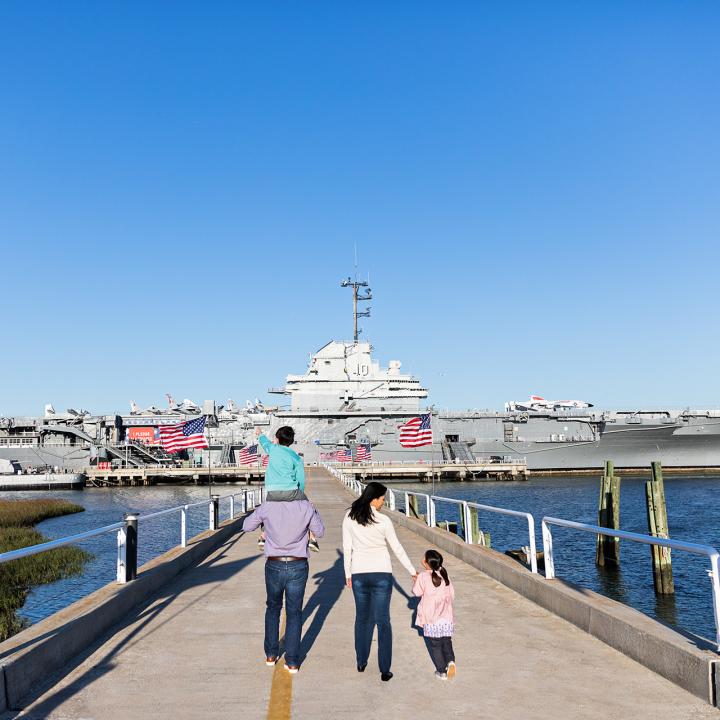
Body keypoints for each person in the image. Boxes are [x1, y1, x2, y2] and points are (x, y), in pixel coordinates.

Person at [242, 493, 325, 674]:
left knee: (273, 608)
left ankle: (271, 654)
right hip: (298, 564)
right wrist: (312, 509)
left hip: (274, 563)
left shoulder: (268, 506)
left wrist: (262, 514)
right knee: (294, 612)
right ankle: (293, 661)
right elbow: (320, 532)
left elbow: (246, 526)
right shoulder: (305, 507)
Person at [342, 481, 416, 681]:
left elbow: (347, 548)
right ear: (374, 499)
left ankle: (361, 661)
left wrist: (347, 574)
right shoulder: (383, 521)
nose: (383, 503)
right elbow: (397, 548)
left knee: (362, 619)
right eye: (382, 499)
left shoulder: (349, 517)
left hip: (359, 574)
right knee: (383, 621)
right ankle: (385, 668)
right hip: (382, 574)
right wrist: (412, 570)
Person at [256, 426, 320, 552]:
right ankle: (312, 537)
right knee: (309, 509)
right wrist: (300, 496)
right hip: (291, 491)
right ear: (291, 441)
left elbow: (265, 443)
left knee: (269, 512)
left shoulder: (273, 449)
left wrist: (259, 433)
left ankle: (263, 537)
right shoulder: (296, 458)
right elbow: (300, 480)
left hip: (272, 492)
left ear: (277, 439)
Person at [412, 549, 456, 680]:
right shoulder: (444, 574)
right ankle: (451, 662)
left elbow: (417, 592)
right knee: (446, 642)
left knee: (435, 645)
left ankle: (441, 671)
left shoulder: (423, 577)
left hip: (432, 619)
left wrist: (416, 580)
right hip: (446, 617)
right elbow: (452, 595)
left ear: (426, 563)